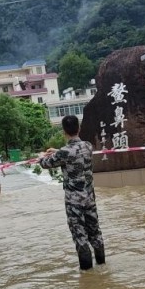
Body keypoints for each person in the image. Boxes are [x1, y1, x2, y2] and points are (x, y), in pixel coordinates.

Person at [39, 115, 105, 270]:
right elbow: (74, 152)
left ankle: (87, 276)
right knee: (95, 233)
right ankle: (102, 267)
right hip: (90, 198)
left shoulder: (64, 152)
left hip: (74, 202)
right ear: (79, 128)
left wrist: (41, 156)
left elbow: (45, 164)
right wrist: (58, 151)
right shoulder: (88, 146)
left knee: (80, 236)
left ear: (64, 131)